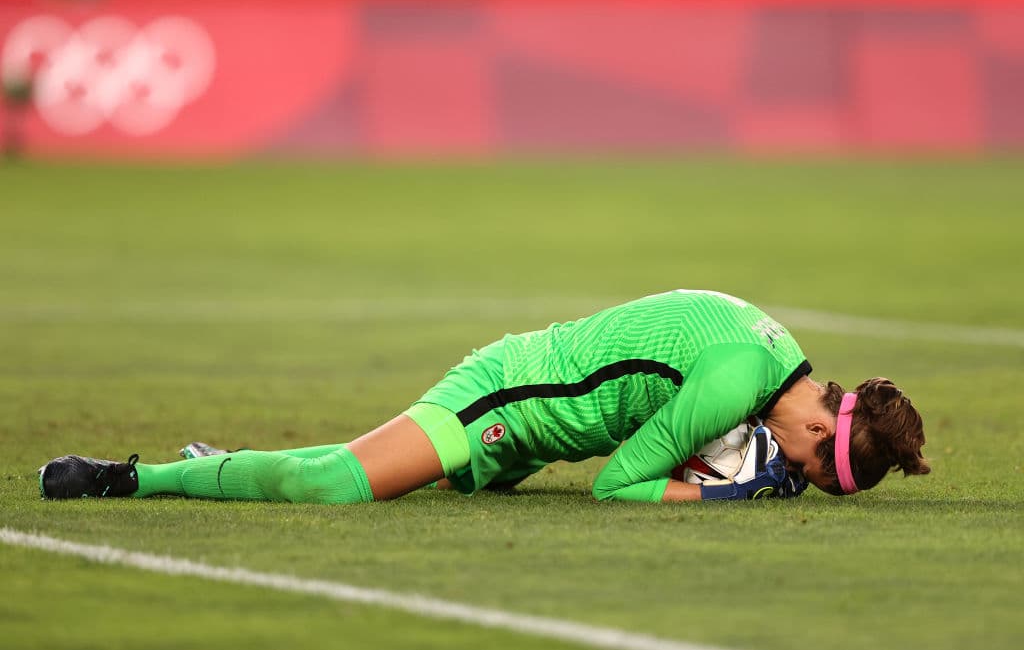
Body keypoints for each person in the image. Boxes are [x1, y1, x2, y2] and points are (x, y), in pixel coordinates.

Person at [38, 289, 930, 503]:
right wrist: (728, 489)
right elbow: (618, 486)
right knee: (339, 485)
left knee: (414, 485)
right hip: (506, 395)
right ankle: (140, 477)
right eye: (811, 466)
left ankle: (223, 466)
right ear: (820, 422)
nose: (797, 472)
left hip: (540, 429)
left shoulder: (779, 358)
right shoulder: (741, 380)